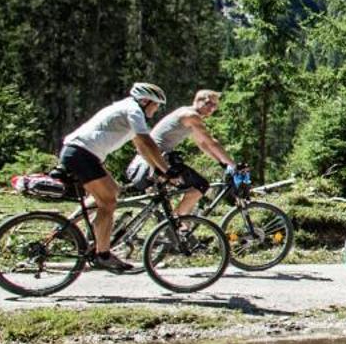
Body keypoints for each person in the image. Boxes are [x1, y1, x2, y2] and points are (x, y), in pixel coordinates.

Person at [59, 83, 175, 273]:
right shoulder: (133, 110)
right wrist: (167, 170)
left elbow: (141, 147)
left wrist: (158, 168)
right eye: (155, 104)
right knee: (108, 201)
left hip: (81, 153)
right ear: (145, 101)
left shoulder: (127, 109)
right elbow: (147, 141)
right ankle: (102, 254)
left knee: (112, 192)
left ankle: (78, 230)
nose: (157, 109)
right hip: (82, 154)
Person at [126, 89, 237, 217]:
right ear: (198, 101)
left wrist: (222, 163)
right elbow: (211, 142)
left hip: (150, 161)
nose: (212, 108)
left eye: (215, 105)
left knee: (190, 187)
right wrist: (234, 165)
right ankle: (175, 225)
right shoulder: (190, 115)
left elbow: (203, 144)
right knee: (201, 185)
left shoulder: (188, 115)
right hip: (154, 162)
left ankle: (179, 228)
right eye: (209, 103)